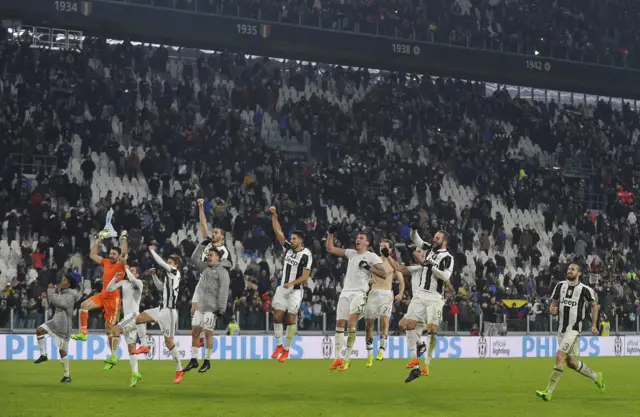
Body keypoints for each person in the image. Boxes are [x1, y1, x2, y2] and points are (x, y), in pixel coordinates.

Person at [386, 226, 454, 383]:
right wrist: (414, 228)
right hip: (420, 294)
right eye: (434, 237)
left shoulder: (448, 257)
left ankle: (427, 365)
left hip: (435, 297)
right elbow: (415, 239)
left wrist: (431, 266)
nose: (434, 240)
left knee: (432, 329)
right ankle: (415, 359)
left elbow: (445, 276)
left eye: (437, 238)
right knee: (406, 324)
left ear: (444, 242)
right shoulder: (429, 248)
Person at [535, 263, 605, 402]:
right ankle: (596, 377)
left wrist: (594, 324)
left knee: (559, 356)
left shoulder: (585, 290)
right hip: (561, 329)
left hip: (573, 330)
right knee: (570, 362)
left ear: (579, 273)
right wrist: (552, 310)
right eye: (568, 269)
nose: (570, 271)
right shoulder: (560, 286)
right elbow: (554, 304)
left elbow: (594, 305)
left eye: (573, 269)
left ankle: (548, 392)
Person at [120, 245, 184, 384]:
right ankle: (144, 344)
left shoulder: (175, 273)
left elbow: (160, 262)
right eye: (168, 262)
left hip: (169, 312)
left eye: (170, 262)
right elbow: (161, 288)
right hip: (161, 309)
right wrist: (154, 275)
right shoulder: (169, 277)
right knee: (139, 317)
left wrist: (152, 251)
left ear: (176, 265)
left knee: (169, 342)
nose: (168, 264)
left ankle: (179, 369)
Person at [326, 227, 387, 371]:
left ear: (367, 243)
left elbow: (383, 274)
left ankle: (347, 357)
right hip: (345, 292)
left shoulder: (372, 256)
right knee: (340, 323)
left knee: (351, 322)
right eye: (357, 238)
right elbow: (330, 248)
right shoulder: (351, 253)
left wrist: (368, 268)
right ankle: (337, 358)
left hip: (360, 292)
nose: (357, 240)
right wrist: (330, 233)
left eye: (361, 238)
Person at [72, 229, 128, 372]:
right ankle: (84, 334)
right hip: (103, 295)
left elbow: (124, 253)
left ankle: (114, 355)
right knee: (84, 305)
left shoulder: (120, 264)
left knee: (109, 329)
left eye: (114, 254)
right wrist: (98, 239)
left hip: (113, 299)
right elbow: (92, 255)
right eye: (110, 253)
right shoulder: (106, 262)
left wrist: (123, 238)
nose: (111, 255)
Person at [268, 206, 313, 363]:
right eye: (291, 238)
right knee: (277, 317)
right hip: (283, 289)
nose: (291, 240)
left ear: (300, 240)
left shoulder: (306, 255)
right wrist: (274, 214)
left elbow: (306, 277)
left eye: (294, 238)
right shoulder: (287, 249)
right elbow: (278, 231)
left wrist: (292, 283)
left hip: (295, 291)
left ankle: (287, 350)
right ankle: (279, 346)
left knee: (290, 319)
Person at [183, 243, 231, 373]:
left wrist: (221, 309)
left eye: (211, 255)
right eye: (208, 255)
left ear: (218, 258)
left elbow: (224, 291)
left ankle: (207, 361)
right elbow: (193, 258)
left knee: (209, 333)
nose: (208, 257)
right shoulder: (204, 268)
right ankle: (193, 360)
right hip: (201, 307)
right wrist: (201, 245)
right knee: (195, 332)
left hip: (212, 308)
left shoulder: (222, 272)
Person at [195, 198, 232, 347]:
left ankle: (206, 334)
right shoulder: (208, 244)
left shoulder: (223, 251)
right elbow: (203, 224)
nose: (213, 234)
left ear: (222, 236)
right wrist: (201, 207)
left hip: (212, 284)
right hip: (201, 281)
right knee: (195, 310)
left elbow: (223, 270)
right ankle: (203, 334)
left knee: (207, 311)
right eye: (213, 232)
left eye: (216, 232)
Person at [364, 239, 404, 366]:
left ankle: (381, 350)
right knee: (368, 325)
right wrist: (368, 280)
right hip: (374, 293)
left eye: (385, 246)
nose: (382, 248)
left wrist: (401, 293)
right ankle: (369, 354)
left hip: (387, 294)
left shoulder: (393, 264)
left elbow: (401, 281)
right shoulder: (374, 261)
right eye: (381, 246)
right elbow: (364, 276)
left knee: (384, 321)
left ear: (391, 250)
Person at [34, 274, 81, 383]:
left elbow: (61, 303)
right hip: (55, 321)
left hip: (64, 326)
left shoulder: (70, 295)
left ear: (69, 284)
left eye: (65, 280)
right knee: (39, 330)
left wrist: (51, 292)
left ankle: (67, 375)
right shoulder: (61, 292)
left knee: (62, 350)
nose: (62, 280)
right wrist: (47, 296)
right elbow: (51, 304)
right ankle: (43, 354)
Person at [105, 264, 144, 386]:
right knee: (131, 348)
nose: (129, 272)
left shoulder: (139, 283)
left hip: (133, 316)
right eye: (129, 269)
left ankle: (114, 356)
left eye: (133, 270)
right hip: (127, 317)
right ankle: (135, 373)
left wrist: (127, 269)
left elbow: (132, 279)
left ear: (137, 274)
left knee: (116, 329)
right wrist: (115, 277)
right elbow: (109, 289)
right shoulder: (123, 283)